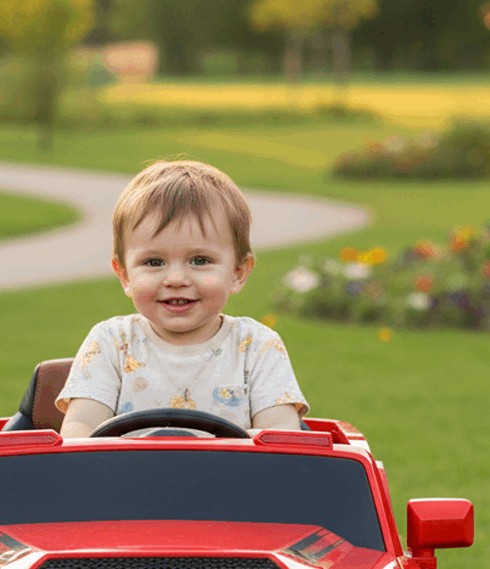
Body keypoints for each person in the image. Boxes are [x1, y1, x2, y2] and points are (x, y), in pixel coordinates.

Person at [58, 159, 308, 438]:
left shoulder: (257, 348)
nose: (176, 279)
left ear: (237, 272)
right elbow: (78, 435)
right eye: (154, 262)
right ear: (125, 275)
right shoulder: (111, 344)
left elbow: (282, 439)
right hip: (124, 480)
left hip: (233, 481)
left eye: (200, 260)